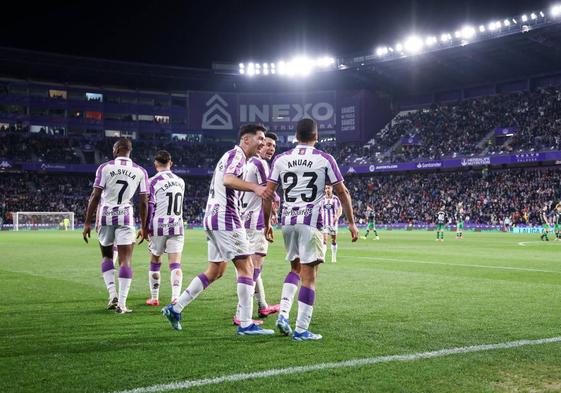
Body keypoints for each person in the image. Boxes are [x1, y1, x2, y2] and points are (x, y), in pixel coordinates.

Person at [162, 124, 275, 335]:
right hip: (226, 217)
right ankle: (245, 324)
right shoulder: (237, 155)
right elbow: (228, 180)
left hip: (212, 217)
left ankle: (175, 308)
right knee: (247, 268)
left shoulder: (233, 156)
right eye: (259, 138)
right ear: (246, 139)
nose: (262, 142)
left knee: (216, 271)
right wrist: (256, 188)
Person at [263, 118, 359, 341]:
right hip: (311, 221)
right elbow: (342, 192)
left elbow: (268, 193)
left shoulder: (281, 158)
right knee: (310, 276)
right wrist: (352, 222)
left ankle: (284, 314)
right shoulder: (325, 159)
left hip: (287, 221)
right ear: (316, 137)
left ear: (296, 137)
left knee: (295, 268)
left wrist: (267, 222)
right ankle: (301, 329)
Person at [83, 138, 149, 313]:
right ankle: (122, 304)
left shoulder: (104, 167)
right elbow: (143, 202)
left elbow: (95, 196)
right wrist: (144, 226)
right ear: (129, 150)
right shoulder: (140, 171)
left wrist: (87, 222)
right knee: (125, 261)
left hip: (105, 216)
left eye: (113, 148)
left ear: (118, 149)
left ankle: (112, 294)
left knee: (106, 257)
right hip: (125, 217)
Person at [233, 131, 280, 325]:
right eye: (267, 144)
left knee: (252, 267)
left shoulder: (247, 164)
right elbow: (268, 193)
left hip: (245, 220)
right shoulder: (260, 164)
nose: (270, 148)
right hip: (256, 222)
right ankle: (241, 314)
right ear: (259, 145)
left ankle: (262, 306)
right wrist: (270, 220)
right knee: (255, 269)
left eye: (273, 146)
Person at [145, 150, 185, 307]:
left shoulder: (152, 181)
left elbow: (150, 205)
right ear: (171, 163)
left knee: (155, 260)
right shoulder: (181, 181)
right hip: (177, 224)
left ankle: (154, 297)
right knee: (175, 263)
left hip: (158, 225)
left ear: (155, 164)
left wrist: (145, 226)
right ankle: (176, 297)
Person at [320, 185, 342, 262]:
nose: (327, 190)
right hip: (324, 223)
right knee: (324, 240)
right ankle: (322, 257)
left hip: (333, 223)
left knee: (334, 240)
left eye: (328, 188)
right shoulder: (322, 199)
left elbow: (340, 209)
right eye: (326, 188)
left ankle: (333, 257)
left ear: (332, 189)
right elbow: (319, 210)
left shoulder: (336, 199)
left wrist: (337, 217)